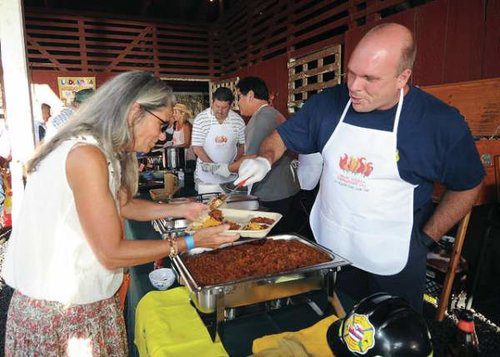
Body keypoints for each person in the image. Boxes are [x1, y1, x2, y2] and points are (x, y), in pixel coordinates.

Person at [235, 23, 485, 312]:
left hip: (393, 263)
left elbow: (469, 184)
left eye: (370, 78)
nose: (354, 86)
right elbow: (280, 137)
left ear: (402, 77)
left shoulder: (438, 122)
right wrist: (264, 159)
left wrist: (426, 238)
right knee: (326, 329)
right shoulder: (328, 103)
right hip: (329, 251)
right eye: (351, 73)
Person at [2, 71, 239, 355]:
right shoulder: (86, 155)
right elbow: (111, 252)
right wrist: (192, 242)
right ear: (135, 112)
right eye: (162, 124)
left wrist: (182, 208)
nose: (162, 134)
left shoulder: (102, 149)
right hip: (61, 311)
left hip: (87, 301)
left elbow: (123, 205)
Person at [233, 76, 300, 234]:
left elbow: (253, 158)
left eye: (239, 97)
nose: (238, 102)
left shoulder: (260, 119)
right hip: (287, 189)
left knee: (270, 240)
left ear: (250, 95)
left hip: (271, 193)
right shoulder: (274, 113)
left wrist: (226, 168)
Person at [191, 87, 245, 186]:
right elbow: (197, 147)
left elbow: (243, 144)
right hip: (206, 178)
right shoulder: (201, 119)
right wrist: (215, 168)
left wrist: (234, 164)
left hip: (231, 177)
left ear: (231, 105)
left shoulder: (238, 121)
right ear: (212, 102)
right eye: (217, 106)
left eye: (224, 107)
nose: (220, 111)